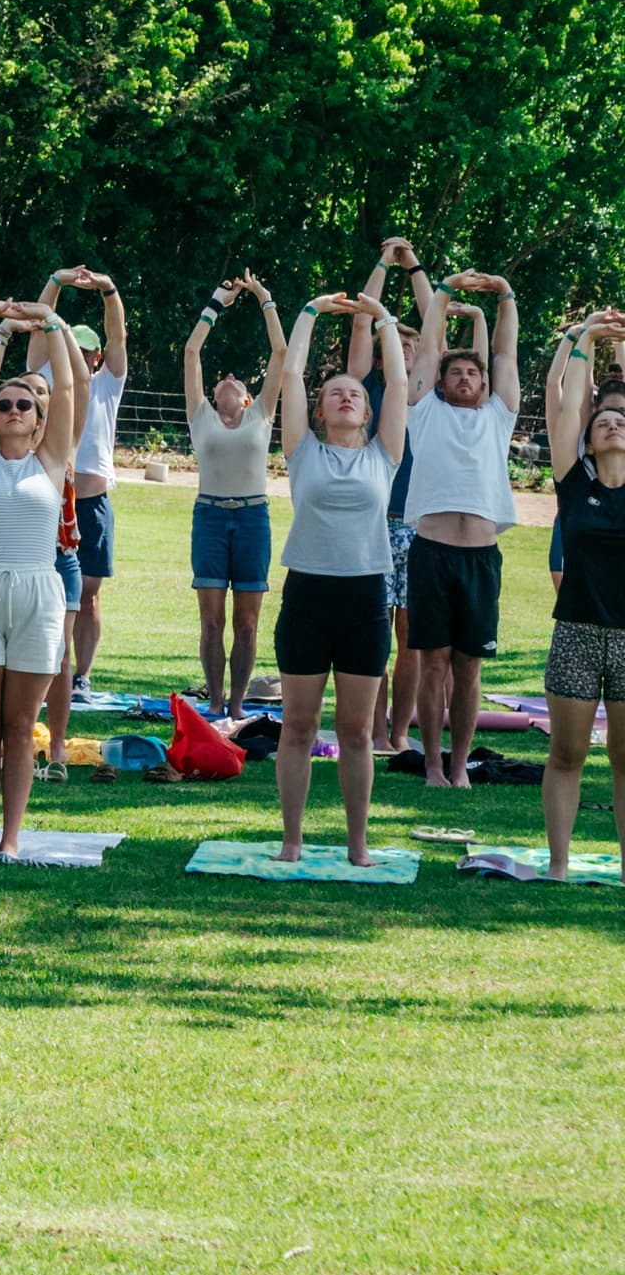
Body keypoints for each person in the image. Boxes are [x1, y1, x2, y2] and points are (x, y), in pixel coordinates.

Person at [0, 298, 88, 858]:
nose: (11, 409)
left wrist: (52, 324)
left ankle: (12, 839)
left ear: (38, 418)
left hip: (38, 593)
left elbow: (72, 389)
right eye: (3, 403)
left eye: (23, 404)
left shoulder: (52, 460)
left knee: (19, 726)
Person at [273, 291, 409, 862]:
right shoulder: (303, 451)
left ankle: (358, 845)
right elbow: (291, 373)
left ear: (368, 410)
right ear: (320, 410)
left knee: (356, 733)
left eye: (354, 393)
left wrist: (383, 321)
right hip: (306, 596)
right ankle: (292, 840)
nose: (346, 398)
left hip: (363, 601)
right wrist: (307, 312)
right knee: (299, 729)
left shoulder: (385, 454)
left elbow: (399, 384)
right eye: (335, 394)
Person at [401, 265, 522, 789]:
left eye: (472, 374)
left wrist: (506, 297)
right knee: (433, 662)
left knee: (469, 666)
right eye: (456, 373)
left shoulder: (499, 415)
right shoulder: (424, 412)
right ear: (443, 383)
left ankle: (459, 765)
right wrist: (445, 287)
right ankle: (431, 762)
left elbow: (505, 354)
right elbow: (428, 348)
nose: (465, 378)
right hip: (431, 551)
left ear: (482, 383)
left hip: (480, 557)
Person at [535, 313, 625, 881]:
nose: (613, 425)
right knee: (567, 755)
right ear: (589, 439)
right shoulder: (575, 484)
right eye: (604, 421)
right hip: (576, 634)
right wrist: (585, 338)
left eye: (622, 419)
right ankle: (560, 864)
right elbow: (566, 403)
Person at [34, 265, 130, 773]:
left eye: (91, 349)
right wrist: (56, 282)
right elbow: (36, 326)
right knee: (48, 599)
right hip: (51, 502)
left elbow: (117, 332)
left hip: (92, 502)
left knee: (88, 594)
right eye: (79, 346)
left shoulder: (108, 379)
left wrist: (108, 289)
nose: (88, 355)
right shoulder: (47, 379)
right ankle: (45, 679)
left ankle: (80, 676)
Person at [183, 274, 288, 713]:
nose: (228, 376)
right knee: (212, 622)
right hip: (209, 519)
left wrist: (264, 298)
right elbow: (192, 351)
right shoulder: (201, 415)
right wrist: (215, 303)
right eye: (222, 377)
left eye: (238, 380)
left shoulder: (260, 415)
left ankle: (239, 704)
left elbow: (280, 353)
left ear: (247, 399)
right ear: (212, 394)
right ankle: (216, 700)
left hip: (251, 520)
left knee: (247, 623)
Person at [346, 237, 435, 750]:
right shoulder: (368, 389)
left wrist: (415, 264)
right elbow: (362, 319)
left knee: (413, 640)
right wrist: (383, 260)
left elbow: (434, 322)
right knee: (375, 636)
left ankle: (399, 734)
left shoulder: (425, 393)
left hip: (420, 524)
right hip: (373, 525)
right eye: (393, 347)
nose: (402, 354)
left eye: (410, 348)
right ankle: (372, 731)